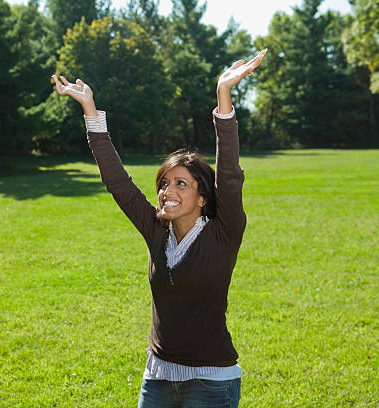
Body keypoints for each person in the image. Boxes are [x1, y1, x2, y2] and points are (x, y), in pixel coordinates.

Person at [52, 48, 267, 408]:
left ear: (202, 197)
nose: (167, 191)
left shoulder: (223, 233)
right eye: (165, 183)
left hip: (211, 382)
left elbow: (229, 177)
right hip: (158, 379)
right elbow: (118, 183)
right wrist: (90, 109)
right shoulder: (157, 230)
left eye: (182, 184)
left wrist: (223, 99)